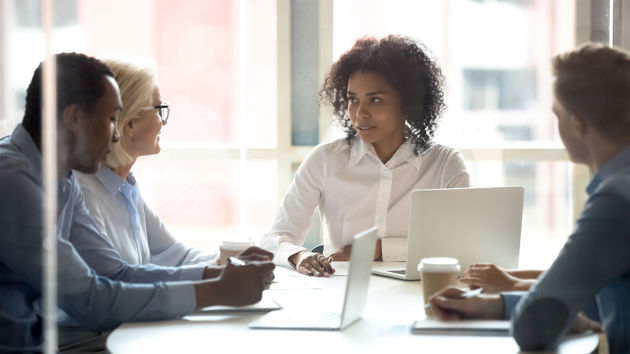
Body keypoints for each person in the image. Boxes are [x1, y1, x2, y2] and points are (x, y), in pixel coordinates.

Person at [0, 53, 274, 352]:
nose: (117, 135)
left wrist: (218, 275)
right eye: (111, 120)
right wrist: (217, 290)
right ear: (75, 119)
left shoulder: (62, 179)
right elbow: (91, 301)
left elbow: (116, 273)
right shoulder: (12, 182)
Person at [428, 43, 630, 353]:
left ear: (576, 124)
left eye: (557, 115)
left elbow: (534, 326)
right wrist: (493, 305)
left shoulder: (616, 201)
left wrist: (557, 314)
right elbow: (595, 293)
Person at [259, 35, 470, 277]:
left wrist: (377, 249)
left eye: (376, 100)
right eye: (352, 100)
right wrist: (300, 255)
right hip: (340, 292)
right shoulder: (325, 160)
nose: (360, 113)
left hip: (418, 293)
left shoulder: (445, 165)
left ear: (408, 102)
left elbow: (460, 247)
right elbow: (275, 238)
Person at [74, 58, 220, 268]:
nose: (163, 121)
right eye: (159, 109)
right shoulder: (84, 194)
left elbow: (178, 256)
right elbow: (114, 286)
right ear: (131, 123)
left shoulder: (125, 188)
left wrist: (234, 259)